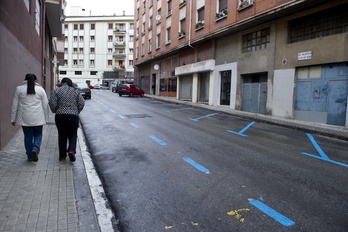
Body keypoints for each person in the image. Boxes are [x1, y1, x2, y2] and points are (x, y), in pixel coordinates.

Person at [11, 73, 48, 162]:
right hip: (38, 118)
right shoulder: (40, 90)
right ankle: (35, 149)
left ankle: (29, 156)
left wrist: (13, 119)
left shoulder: (19, 89)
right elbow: (45, 105)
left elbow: (14, 105)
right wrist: (46, 118)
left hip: (24, 118)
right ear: (36, 80)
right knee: (38, 135)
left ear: (25, 80)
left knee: (28, 136)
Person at [49, 78, 85, 162]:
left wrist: (55, 110)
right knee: (73, 134)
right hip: (73, 116)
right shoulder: (75, 91)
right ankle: (71, 150)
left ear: (62, 83)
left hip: (60, 116)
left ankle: (62, 156)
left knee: (62, 135)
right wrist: (76, 111)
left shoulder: (57, 91)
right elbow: (81, 103)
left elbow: (52, 102)